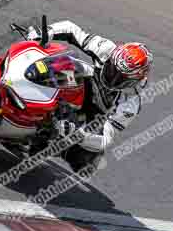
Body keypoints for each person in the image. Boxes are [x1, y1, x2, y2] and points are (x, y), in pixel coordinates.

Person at [25, 20, 152, 172]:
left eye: (121, 78)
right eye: (112, 69)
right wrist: (45, 32)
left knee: (88, 162)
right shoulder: (106, 48)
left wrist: (76, 133)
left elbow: (106, 137)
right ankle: (29, 91)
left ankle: (53, 143)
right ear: (113, 57)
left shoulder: (132, 101)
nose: (112, 78)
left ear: (134, 80)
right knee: (67, 64)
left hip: (93, 115)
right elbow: (72, 30)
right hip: (84, 82)